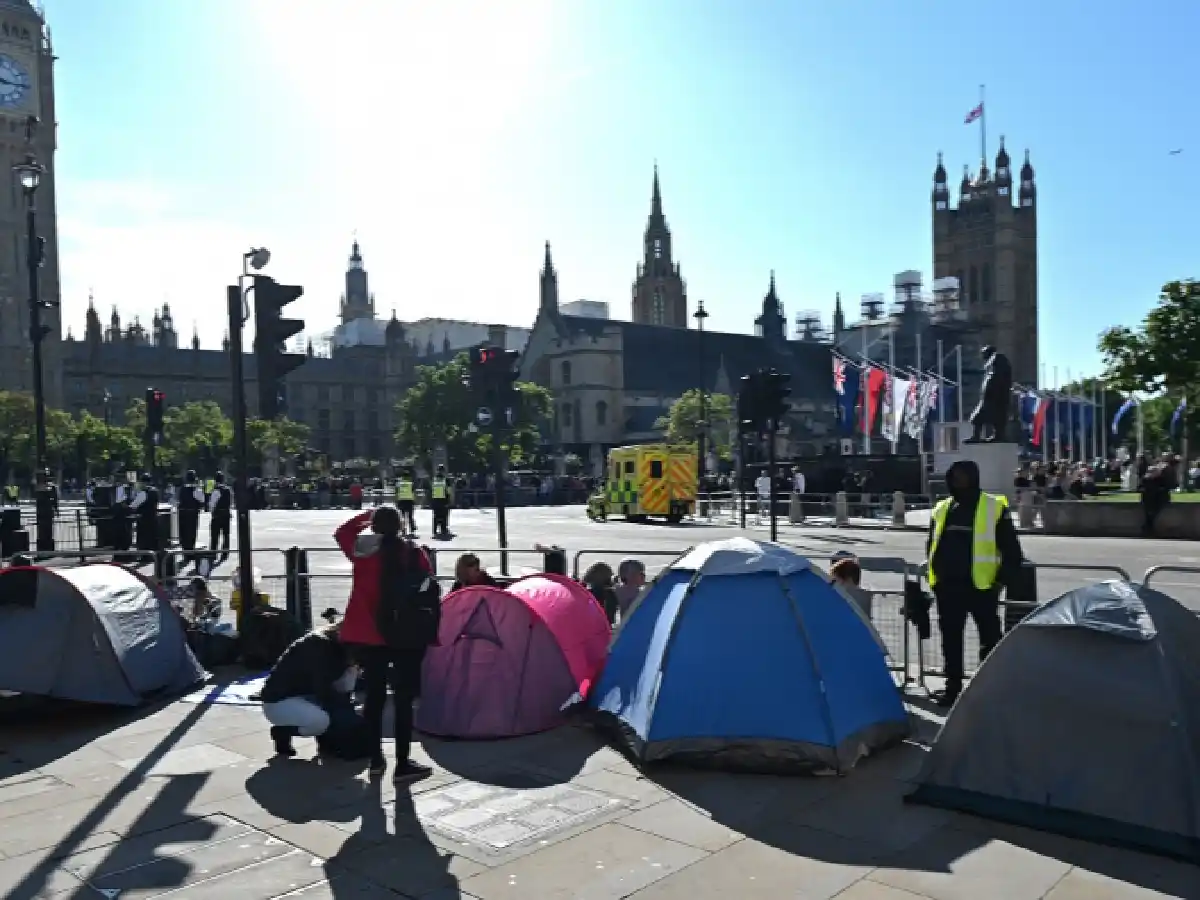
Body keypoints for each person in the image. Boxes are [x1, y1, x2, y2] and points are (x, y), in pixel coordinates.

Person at [336, 505, 437, 780]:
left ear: (374, 526)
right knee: (404, 699)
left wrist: (368, 514)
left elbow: (342, 531)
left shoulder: (362, 550)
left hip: (368, 634)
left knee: (374, 697)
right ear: (401, 525)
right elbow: (426, 586)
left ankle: (376, 759)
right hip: (404, 633)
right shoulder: (414, 553)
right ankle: (403, 763)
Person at [926, 459, 1024, 707]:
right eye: (954, 476)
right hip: (948, 587)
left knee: (990, 641)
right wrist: (935, 579)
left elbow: (1013, 553)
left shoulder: (993, 506)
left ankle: (990, 690)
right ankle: (952, 689)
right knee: (951, 641)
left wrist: (999, 583)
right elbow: (932, 544)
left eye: (963, 476)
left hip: (981, 587)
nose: (958, 480)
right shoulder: (942, 508)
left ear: (974, 477)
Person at [260, 622, 358, 757]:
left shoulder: (334, 647)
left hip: (305, 695)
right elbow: (322, 689)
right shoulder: (319, 647)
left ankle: (327, 739)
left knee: (343, 691)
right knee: (321, 721)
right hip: (279, 701)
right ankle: (282, 732)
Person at [177, 470, 205, 563]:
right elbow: (202, 500)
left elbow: (178, 501)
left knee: (183, 533)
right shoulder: (197, 490)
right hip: (192, 514)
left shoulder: (182, 489)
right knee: (191, 533)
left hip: (182, 513)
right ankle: (190, 552)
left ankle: (185, 553)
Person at [131, 472, 161, 553]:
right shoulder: (155, 491)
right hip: (154, 518)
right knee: (153, 539)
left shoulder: (143, 493)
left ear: (143, 482)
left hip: (144, 520)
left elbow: (133, 505)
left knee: (143, 541)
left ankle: (144, 556)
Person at [208, 472, 233, 563]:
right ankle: (225, 553)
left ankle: (213, 553)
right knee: (226, 535)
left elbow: (212, 504)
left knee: (214, 535)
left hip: (217, 515)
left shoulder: (216, 491)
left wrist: (212, 512)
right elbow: (230, 502)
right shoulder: (228, 490)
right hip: (226, 514)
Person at [428, 465, 452, 538]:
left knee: (436, 515)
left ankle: (435, 530)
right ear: (443, 471)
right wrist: (449, 500)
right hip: (443, 500)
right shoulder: (446, 480)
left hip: (435, 500)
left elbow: (431, 490)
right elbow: (449, 491)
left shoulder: (434, 480)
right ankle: (443, 529)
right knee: (444, 515)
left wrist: (430, 501)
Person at [394, 468, 417, 535]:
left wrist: (396, 501)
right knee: (410, 516)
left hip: (401, 501)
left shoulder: (399, 484)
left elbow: (396, 493)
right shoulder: (411, 483)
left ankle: (403, 529)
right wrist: (415, 501)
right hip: (409, 501)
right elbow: (413, 493)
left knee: (403, 516)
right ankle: (412, 528)